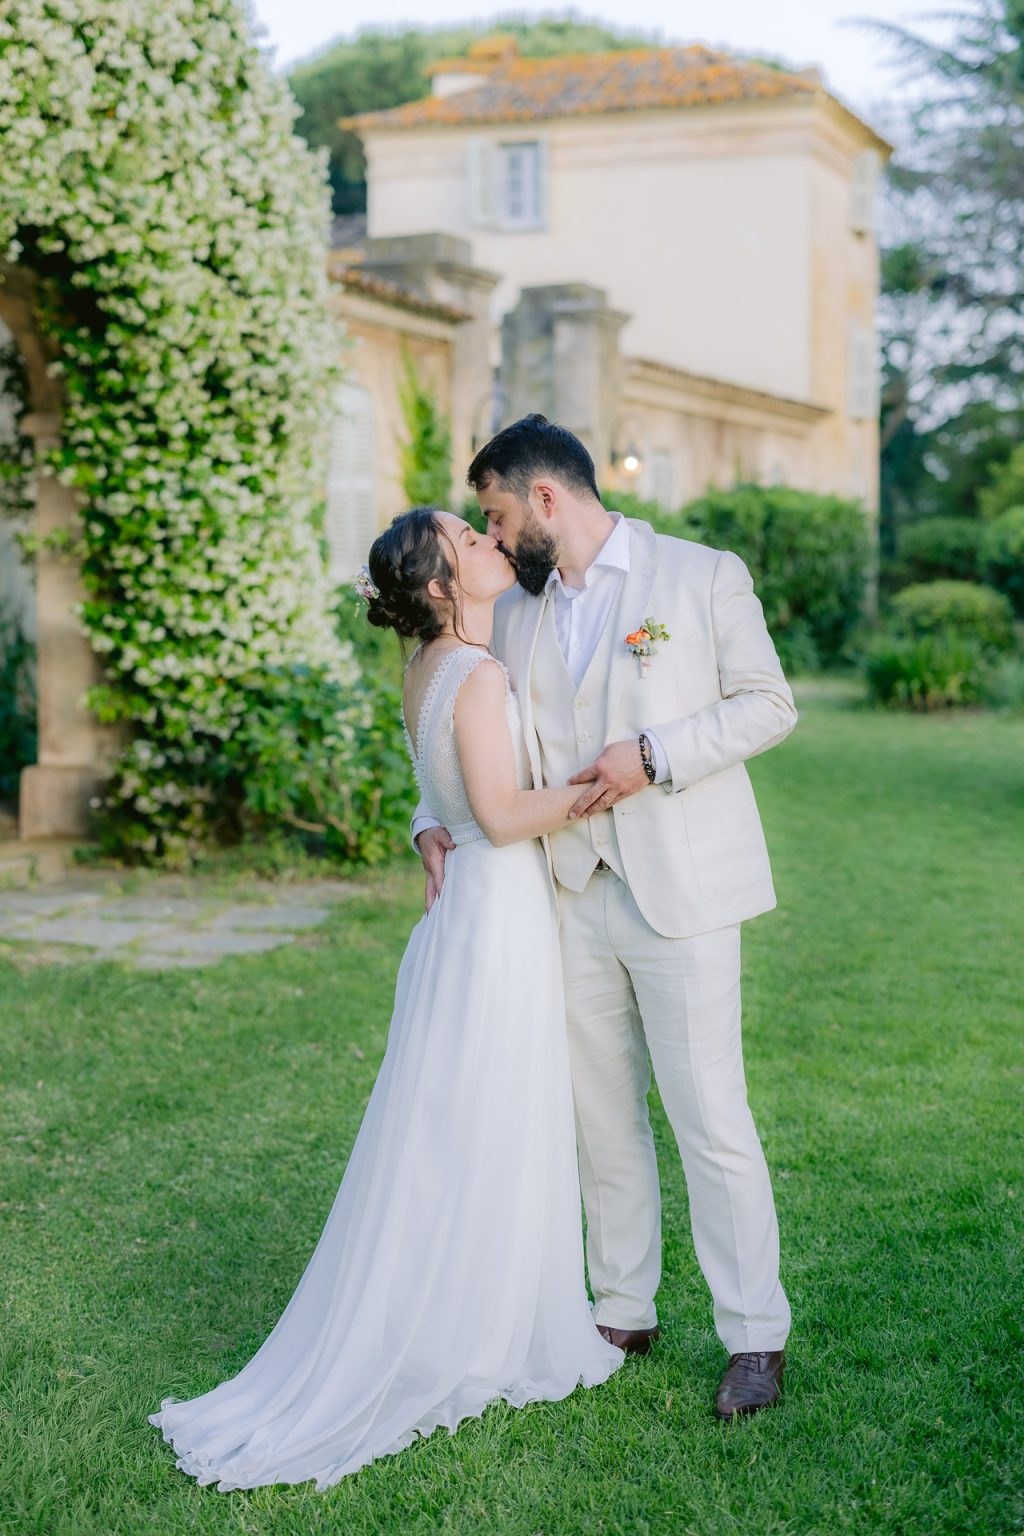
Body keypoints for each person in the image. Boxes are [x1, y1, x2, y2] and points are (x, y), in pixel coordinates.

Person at [148, 505, 623, 1492]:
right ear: (443, 586)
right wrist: (612, 784)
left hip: (468, 916)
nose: (491, 540)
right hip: (495, 916)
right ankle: (478, 1331)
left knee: (456, 1123)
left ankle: (472, 1308)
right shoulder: (476, 671)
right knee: (487, 1118)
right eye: (469, 541)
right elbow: (498, 814)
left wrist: (427, 826)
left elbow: (446, 794)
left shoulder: (428, 665)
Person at [413, 414, 797, 1419]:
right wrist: (429, 819)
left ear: (546, 498)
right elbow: (467, 724)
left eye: (499, 516)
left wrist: (654, 755)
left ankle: (754, 1335)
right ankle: (623, 1306)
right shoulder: (516, 609)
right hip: (567, 893)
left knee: (709, 1115)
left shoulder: (700, 575)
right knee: (599, 1114)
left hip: (683, 893)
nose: (495, 539)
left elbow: (769, 704)